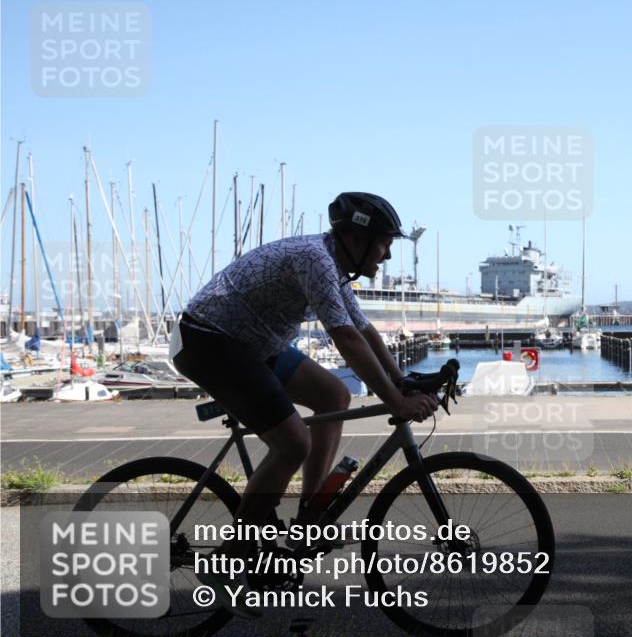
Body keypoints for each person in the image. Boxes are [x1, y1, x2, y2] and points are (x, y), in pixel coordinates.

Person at [171, 192, 439, 614]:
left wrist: (401, 381)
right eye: (385, 243)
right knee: (293, 444)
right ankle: (227, 561)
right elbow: (345, 339)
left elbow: (362, 329)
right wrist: (396, 402)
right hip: (209, 340)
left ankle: (310, 514)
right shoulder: (315, 259)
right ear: (357, 239)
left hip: (255, 343)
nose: (387, 255)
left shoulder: (333, 264)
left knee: (335, 394)